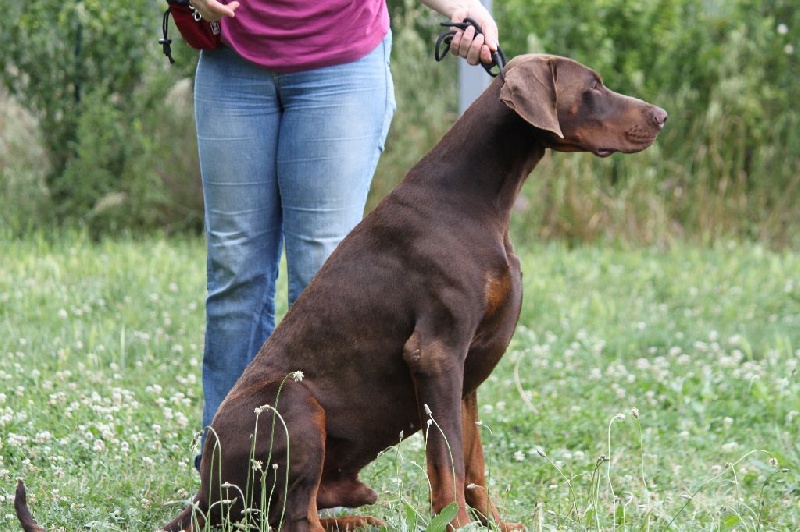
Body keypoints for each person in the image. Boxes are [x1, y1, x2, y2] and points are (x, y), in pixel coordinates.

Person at [187, 0, 501, 467]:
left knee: (321, 271)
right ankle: (227, 472)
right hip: (232, 62)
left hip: (340, 67)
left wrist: (461, 7)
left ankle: (316, 473)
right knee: (235, 271)